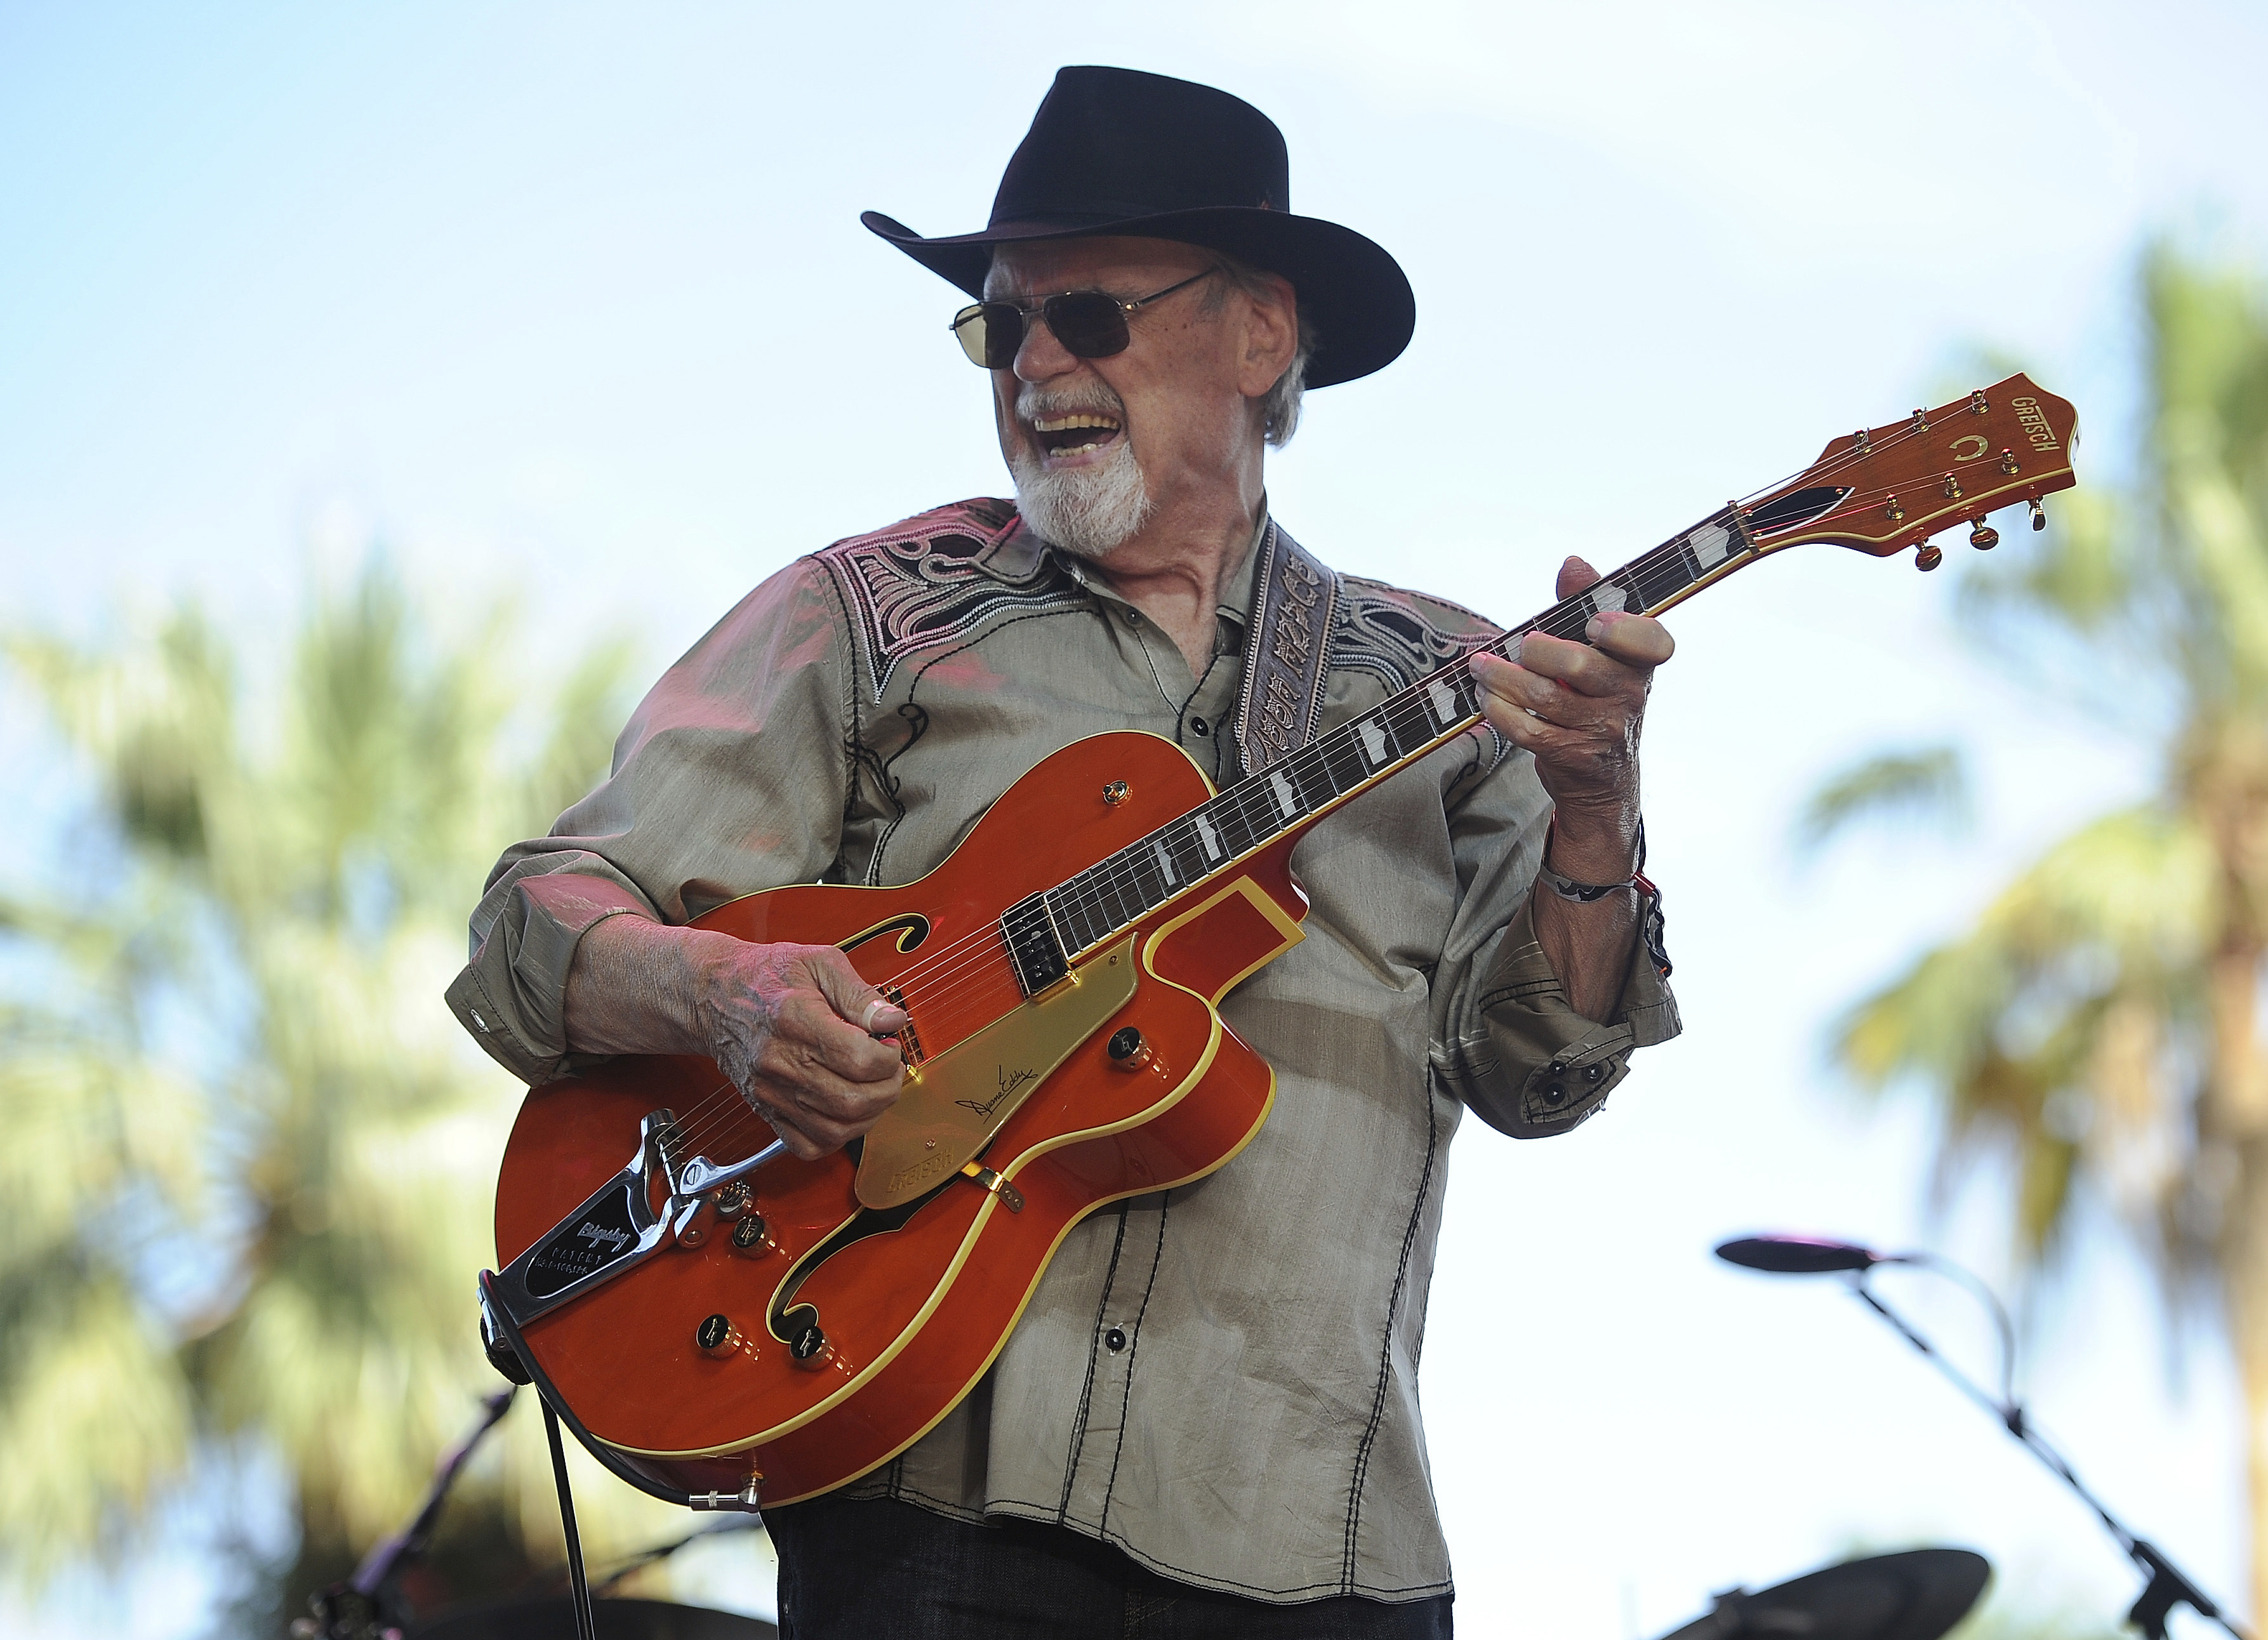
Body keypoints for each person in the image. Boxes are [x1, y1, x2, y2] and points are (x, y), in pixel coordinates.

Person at [448, 65, 1682, 1639]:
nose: (1030, 362)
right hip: (925, 1515)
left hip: (1318, 1541)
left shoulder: (1447, 687)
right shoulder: (874, 611)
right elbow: (532, 919)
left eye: (1084, 314)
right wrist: (723, 993)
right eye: (999, 323)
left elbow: (1540, 1077)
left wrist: (1595, 811)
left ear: (1260, 334)